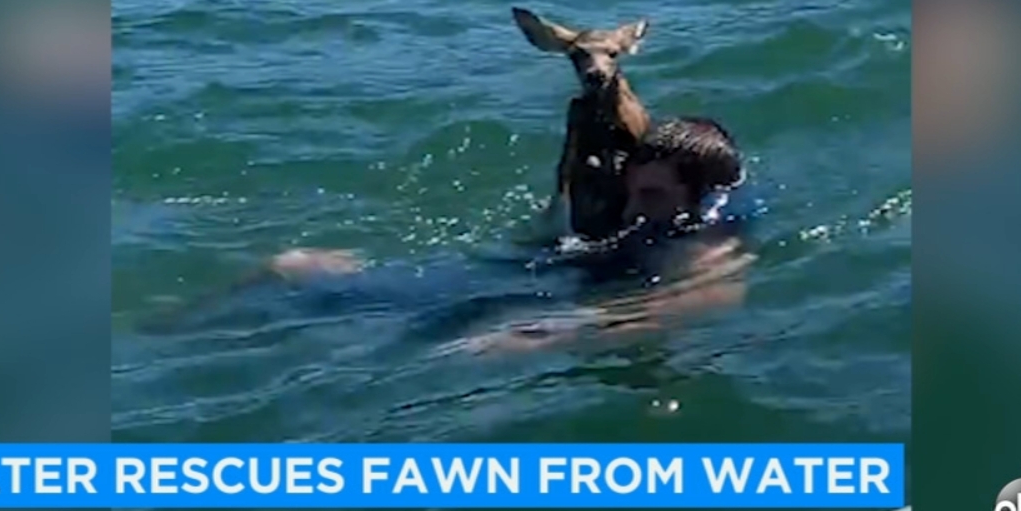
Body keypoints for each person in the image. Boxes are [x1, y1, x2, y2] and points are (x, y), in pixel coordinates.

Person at [156, 118, 755, 352]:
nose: (633, 203)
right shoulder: (627, 212)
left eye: (652, 196)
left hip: (545, 301)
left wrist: (552, 334)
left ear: (697, 195)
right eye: (634, 188)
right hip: (516, 276)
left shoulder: (710, 238)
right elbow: (543, 241)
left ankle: (181, 342)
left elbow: (707, 297)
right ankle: (171, 333)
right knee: (294, 265)